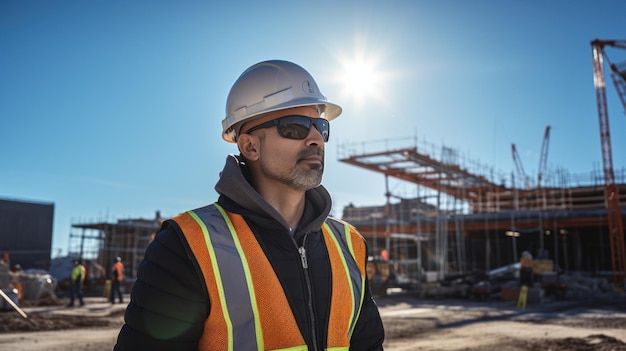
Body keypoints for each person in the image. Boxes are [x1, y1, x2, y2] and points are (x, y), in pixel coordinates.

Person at [114, 60, 385, 350]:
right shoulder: (187, 246)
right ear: (250, 146)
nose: (316, 139)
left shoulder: (349, 245)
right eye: (296, 127)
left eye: (321, 127)